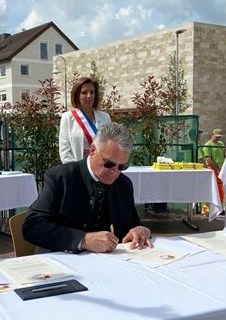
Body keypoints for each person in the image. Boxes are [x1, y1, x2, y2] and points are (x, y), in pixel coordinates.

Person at [23, 122, 152, 253]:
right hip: (62, 260)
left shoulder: (124, 184)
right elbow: (32, 226)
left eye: (122, 167)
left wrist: (140, 229)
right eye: (109, 164)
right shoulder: (61, 177)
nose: (115, 172)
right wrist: (83, 240)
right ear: (92, 151)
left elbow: (133, 223)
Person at [59, 76, 111, 163]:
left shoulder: (105, 117)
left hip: (101, 169)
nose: (89, 96)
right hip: (77, 170)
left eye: (92, 92)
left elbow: (110, 145)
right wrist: (75, 171)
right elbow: (65, 151)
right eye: (84, 92)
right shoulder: (67, 118)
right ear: (77, 95)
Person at [201, 128, 225, 204]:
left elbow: (224, 155)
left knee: (220, 188)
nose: (218, 138)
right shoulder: (207, 145)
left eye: (219, 137)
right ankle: (208, 207)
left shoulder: (221, 144)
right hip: (213, 169)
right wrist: (216, 169)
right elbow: (208, 159)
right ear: (212, 135)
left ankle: (220, 206)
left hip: (221, 168)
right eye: (216, 136)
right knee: (213, 188)